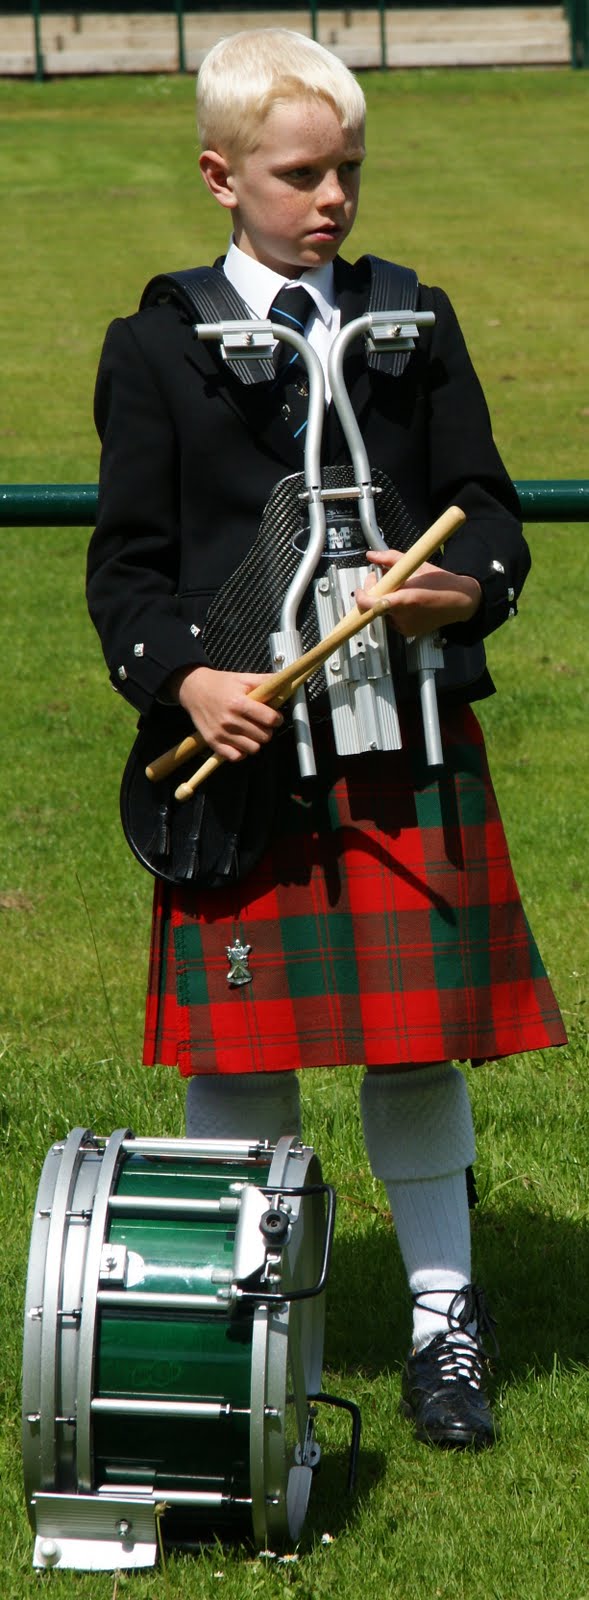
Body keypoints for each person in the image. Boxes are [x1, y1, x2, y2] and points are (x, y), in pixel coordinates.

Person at [87, 28, 567, 1451]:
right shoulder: (157, 344)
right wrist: (184, 687)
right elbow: (127, 569)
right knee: (242, 1058)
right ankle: (243, 1343)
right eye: (301, 175)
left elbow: (483, 506)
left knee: (413, 1050)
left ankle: (441, 1331)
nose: (332, 200)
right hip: (248, 756)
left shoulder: (411, 320)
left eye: (348, 171)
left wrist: (461, 584)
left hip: (397, 736)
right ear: (221, 177)